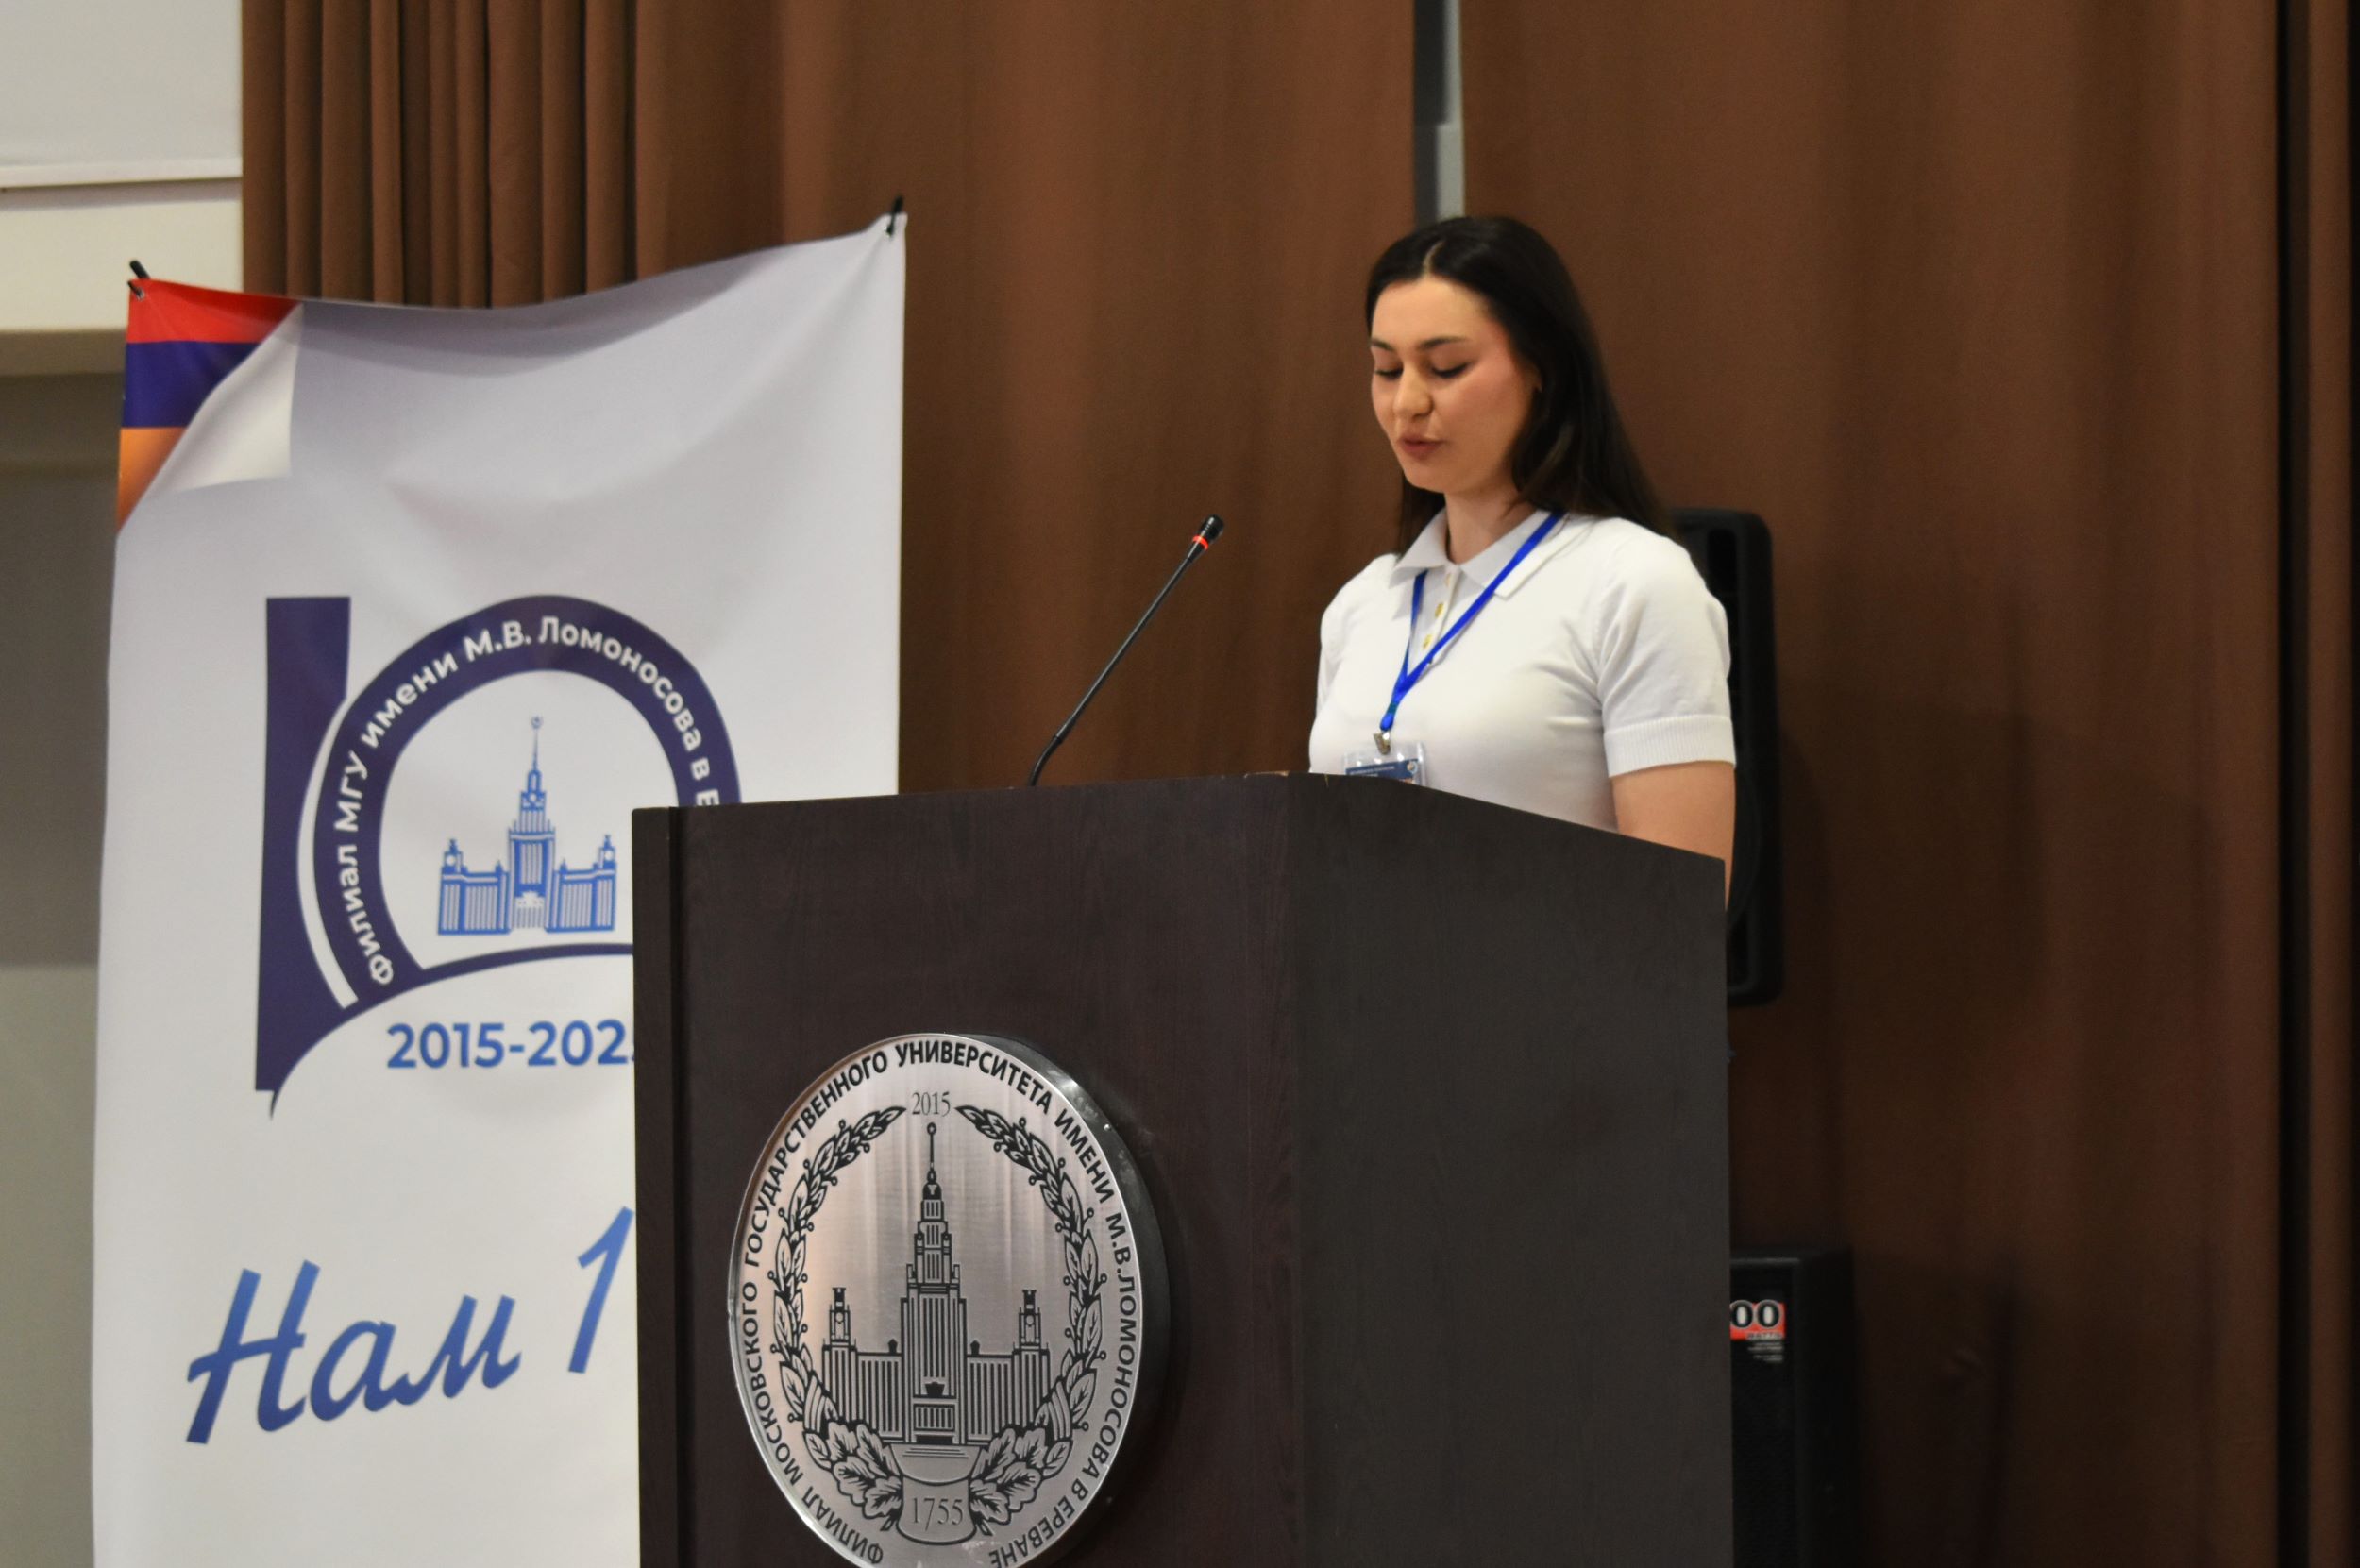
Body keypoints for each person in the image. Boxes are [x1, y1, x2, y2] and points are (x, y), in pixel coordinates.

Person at [1309, 216, 1736, 886]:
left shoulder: (1635, 582)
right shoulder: (1363, 604)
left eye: (1446, 368)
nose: (1407, 403)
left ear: (1542, 369)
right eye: (1386, 369)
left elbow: (1681, 906)